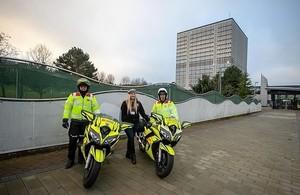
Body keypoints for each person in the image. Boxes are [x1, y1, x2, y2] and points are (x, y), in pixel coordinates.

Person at [62, 78, 100, 169]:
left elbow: (96, 108)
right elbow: (67, 107)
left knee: (84, 141)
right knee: (72, 142)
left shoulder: (91, 97)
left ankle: (81, 157)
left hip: (86, 123)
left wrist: (97, 119)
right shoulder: (73, 95)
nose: (83, 88)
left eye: (85, 86)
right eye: (81, 86)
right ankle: (70, 160)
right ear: (79, 87)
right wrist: (65, 119)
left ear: (87, 87)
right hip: (75, 122)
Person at [120, 89, 149, 165]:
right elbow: (123, 117)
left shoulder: (138, 103)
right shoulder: (125, 103)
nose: (133, 95)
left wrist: (148, 119)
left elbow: (143, 113)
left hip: (135, 124)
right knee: (131, 137)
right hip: (127, 124)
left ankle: (127, 153)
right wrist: (130, 115)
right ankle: (133, 155)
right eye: (131, 94)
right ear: (129, 95)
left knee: (130, 138)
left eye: (134, 94)